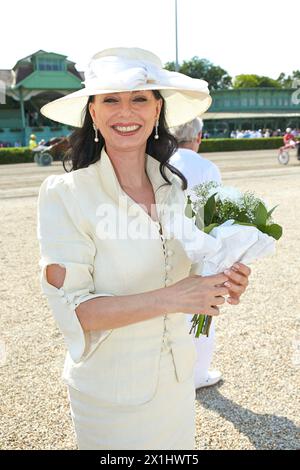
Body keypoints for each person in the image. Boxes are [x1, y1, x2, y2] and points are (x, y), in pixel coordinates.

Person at [37, 47, 251, 450]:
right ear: (94, 114)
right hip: (110, 398)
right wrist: (175, 297)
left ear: (157, 111)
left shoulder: (175, 190)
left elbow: (187, 279)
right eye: (110, 100)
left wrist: (222, 281)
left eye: (139, 99)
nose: (126, 111)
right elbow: (77, 313)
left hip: (176, 387)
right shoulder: (65, 195)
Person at [168, 117, 222, 390]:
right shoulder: (207, 167)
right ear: (198, 137)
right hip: (198, 245)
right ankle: (198, 373)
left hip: (163, 245)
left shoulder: (159, 162)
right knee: (202, 309)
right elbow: (210, 214)